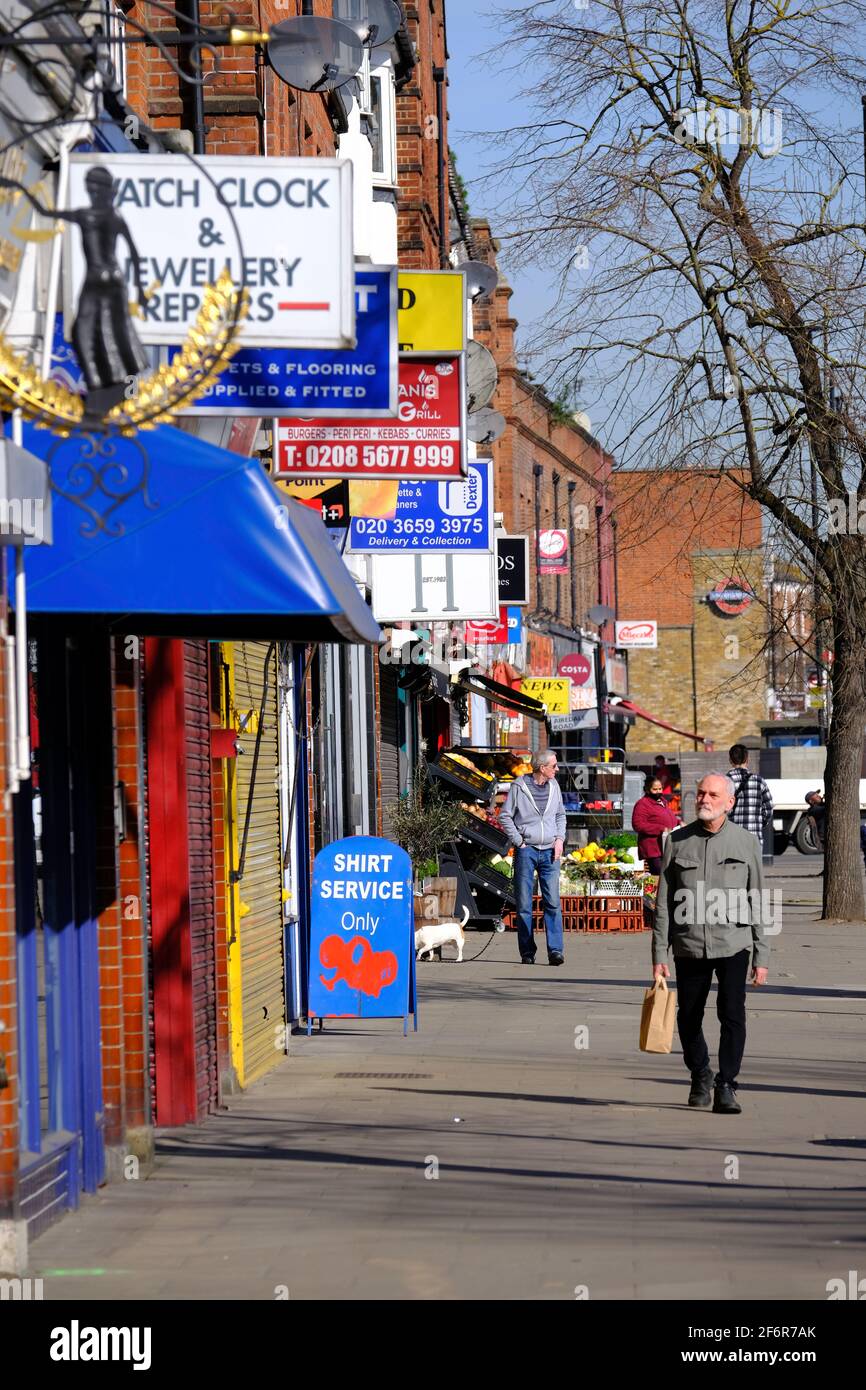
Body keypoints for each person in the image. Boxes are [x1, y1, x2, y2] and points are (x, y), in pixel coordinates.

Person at [652, 773, 770, 1115]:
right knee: (688, 1016)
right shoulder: (676, 841)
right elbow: (663, 903)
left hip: (734, 942)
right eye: (701, 793)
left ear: (729, 802)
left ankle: (727, 1085)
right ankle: (701, 1073)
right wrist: (659, 952)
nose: (705, 799)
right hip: (689, 944)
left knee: (732, 1014)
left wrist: (761, 955)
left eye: (713, 795)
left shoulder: (746, 842)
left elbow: (758, 899)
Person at [500, 749, 567, 966]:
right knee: (524, 904)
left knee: (553, 902)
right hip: (526, 851)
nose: (557, 769)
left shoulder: (555, 786)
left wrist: (559, 839)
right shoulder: (519, 786)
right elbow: (505, 816)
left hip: (550, 851)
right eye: (554, 766)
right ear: (542, 768)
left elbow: (560, 815)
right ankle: (527, 951)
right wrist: (519, 841)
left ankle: (555, 950)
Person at [727, 743, 774, 846]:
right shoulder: (759, 781)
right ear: (747, 760)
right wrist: (758, 823)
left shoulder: (724, 781)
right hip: (754, 838)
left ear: (730, 760)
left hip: (731, 838)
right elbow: (769, 809)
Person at [632, 777, 678, 874]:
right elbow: (638, 825)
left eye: (660, 789)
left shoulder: (663, 802)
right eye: (655, 789)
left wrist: (678, 822)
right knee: (660, 877)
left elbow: (668, 818)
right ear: (648, 790)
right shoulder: (642, 804)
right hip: (653, 850)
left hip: (665, 847)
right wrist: (661, 829)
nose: (658, 791)